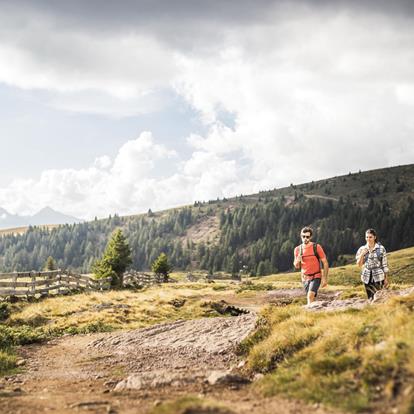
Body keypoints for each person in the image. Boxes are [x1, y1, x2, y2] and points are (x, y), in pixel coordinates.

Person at [293, 226, 329, 305]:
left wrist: (325, 279)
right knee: (310, 298)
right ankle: (313, 314)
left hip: (316, 276)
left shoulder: (316, 247)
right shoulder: (297, 249)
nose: (305, 238)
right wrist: (298, 260)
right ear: (301, 236)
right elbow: (297, 266)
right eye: (303, 236)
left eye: (307, 237)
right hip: (305, 278)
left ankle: (311, 312)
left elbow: (325, 263)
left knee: (310, 296)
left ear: (311, 237)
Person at [356, 228, 389, 300]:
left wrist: (386, 278)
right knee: (370, 297)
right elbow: (359, 265)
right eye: (367, 237)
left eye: (370, 237)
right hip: (366, 276)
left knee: (379, 297)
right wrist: (362, 254)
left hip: (379, 276)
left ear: (375, 237)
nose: (368, 239)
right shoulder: (362, 249)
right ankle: (372, 310)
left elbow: (384, 265)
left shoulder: (381, 248)